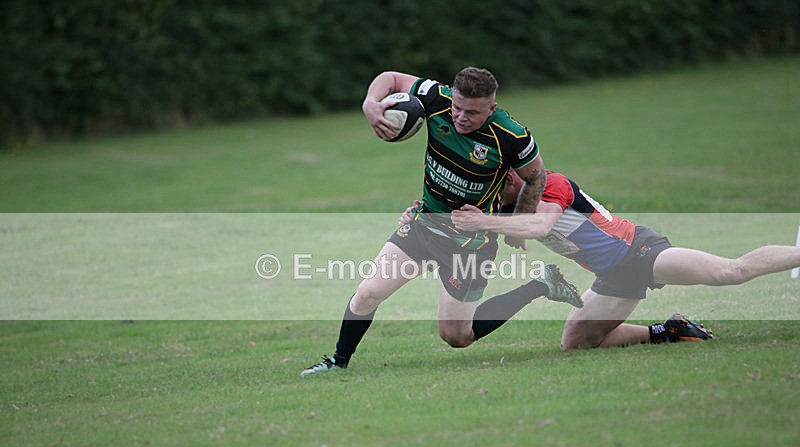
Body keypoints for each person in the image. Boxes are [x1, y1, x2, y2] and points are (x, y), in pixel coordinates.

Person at [301, 67, 583, 375]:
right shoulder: (436, 98)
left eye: (472, 112)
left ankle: (541, 285)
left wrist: (518, 225)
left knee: (456, 335)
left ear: (492, 108)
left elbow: (537, 178)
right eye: (457, 107)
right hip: (424, 225)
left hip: (470, 242)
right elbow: (392, 79)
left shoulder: (512, 136)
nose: (460, 117)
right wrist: (370, 102)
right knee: (368, 292)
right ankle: (337, 362)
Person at [450, 168, 800, 349]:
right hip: (613, 276)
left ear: (514, 175)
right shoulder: (507, 205)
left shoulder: (552, 183)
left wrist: (486, 221)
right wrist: (415, 216)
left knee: (730, 272)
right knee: (576, 343)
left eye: (499, 182)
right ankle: (670, 330)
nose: (492, 190)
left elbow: (541, 226)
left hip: (638, 252)